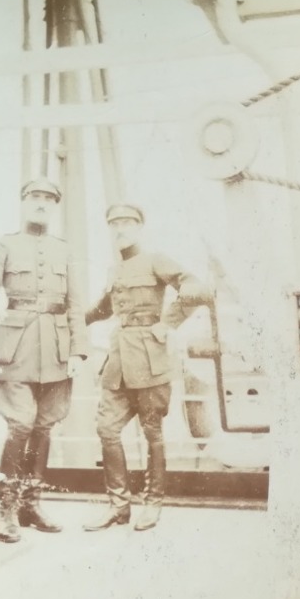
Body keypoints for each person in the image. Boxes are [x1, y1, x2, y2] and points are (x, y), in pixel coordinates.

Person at [0, 178, 88, 543]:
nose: (41, 204)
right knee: (20, 424)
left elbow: (75, 304)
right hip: (15, 347)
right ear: (23, 203)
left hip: (55, 349)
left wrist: (78, 351)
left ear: (54, 207)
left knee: (44, 426)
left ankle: (31, 504)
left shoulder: (63, 250)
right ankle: (6, 508)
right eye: (35, 198)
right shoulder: (5, 244)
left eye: (48, 199)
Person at [83, 202, 209, 533]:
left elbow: (195, 288)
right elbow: (103, 309)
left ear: (139, 227)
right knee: (107, 429)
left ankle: (153, 504)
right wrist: (73, 319)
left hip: (151, 359)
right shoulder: (114, 270)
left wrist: (168, 324)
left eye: (126, 222)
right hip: (119, 360)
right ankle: (119, 506)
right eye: (114, 224)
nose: (120, 229)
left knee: (152, 432)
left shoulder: (156, 259)